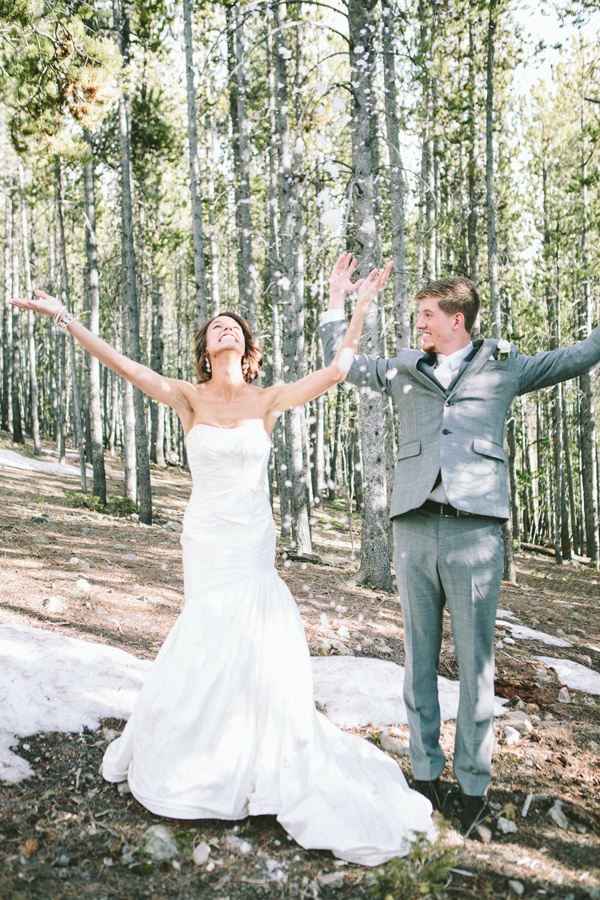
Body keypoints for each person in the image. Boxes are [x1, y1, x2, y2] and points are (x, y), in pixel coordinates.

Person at [10, 254, 436, 867]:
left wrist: (355, 305)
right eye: (216, 326)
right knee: (207, 635)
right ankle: (194, 758)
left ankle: (255, 760)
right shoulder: (187, 397)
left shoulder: (268, 400)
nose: (226, 328)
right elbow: (124, 366)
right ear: (207, 348)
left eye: (234, 325)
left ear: (247, 345)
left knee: (253, 641)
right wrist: (67, 319)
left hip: (252, 540)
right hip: (207, 538)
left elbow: (338, 371)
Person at [320, 263, 600, 842]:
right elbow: (341, 367)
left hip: (476, 531)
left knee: (476, 665)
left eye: (425, 315)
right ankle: (425, 776)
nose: (417, 323)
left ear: (456, 319)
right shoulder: (402, 368)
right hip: (415, 528)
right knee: (418, 659)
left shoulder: (504, 366)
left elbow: (575, 357)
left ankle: (473, 785)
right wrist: (335, 304)